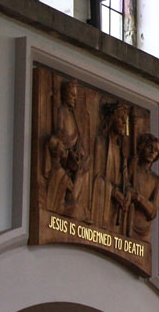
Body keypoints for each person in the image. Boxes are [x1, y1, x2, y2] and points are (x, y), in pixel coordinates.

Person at [43, 80, 88, 217]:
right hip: (64, 153)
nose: (75, 99)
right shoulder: (61, 111)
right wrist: (68, 150)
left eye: (76, 96)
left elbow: (78, 139)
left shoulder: (73, 116)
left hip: (73, 154)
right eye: (72, 95)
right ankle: (67, 197)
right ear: (65, 95)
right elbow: (60, 133)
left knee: (84, 168)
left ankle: (73, 198)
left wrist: (78, 151)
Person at [91, 102, 133, 231]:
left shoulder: (121, 151)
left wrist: (128, 192)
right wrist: (114, 192)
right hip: (102, 202)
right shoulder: (100, 143)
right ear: (111, 119)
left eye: (125, 120)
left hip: (115, 208)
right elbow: (96, 177)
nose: (124, 123)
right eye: (121, 118)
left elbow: (125, 179)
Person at [128, 133, 159, 242]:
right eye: (149, 147)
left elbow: (153, 211)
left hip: (143, 228)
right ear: (142, 147)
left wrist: (139, 198)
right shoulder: (133, 169)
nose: (152, 152)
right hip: (129, 221)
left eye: (156, 150)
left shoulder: (156, 180)